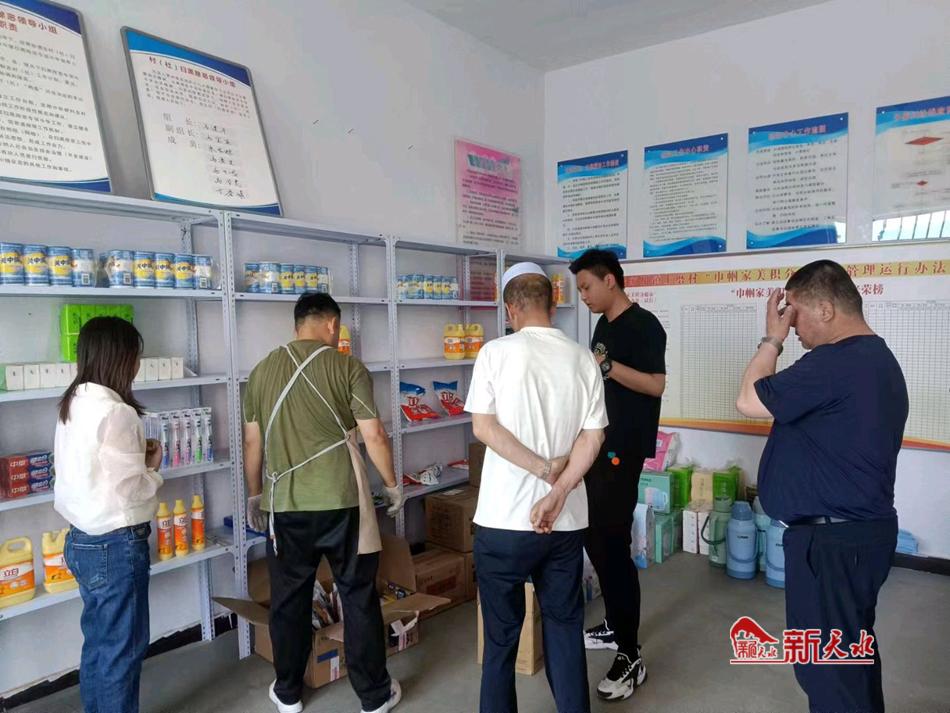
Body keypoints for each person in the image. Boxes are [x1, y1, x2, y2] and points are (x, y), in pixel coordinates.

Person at [736, 260, 907, 713]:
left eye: (796, 314)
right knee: (849, 659)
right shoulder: (876, 360)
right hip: (854, 537)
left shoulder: (835, 362)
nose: (792, 328)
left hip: (833, 544)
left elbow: (748, 399)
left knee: (828, 673)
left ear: (826, 309)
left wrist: (770, 339)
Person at [242, 293, 405, 713]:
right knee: (357, 595)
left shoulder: (261, 372)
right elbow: (374, 436)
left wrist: (255, 494)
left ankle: (288, 693)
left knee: (288, 600)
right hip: (341, 503)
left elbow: (252, 443)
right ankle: (374, 696)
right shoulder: (348, 367)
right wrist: (392, 485)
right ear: (333, 325)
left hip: (285, 505)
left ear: (297, 324)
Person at [465, 262, 607, 713]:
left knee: (501, 638)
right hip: (564, 523)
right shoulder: (583, 358)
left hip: (503, 521)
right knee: (564, 627)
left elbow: (484, 428)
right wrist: (559, 489)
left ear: (511, 309)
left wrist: (542, 470)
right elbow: (593, 437)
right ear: (553, 303)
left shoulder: (495, 353)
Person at [568, 248, 666, 702]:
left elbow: (656, 384)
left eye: (587, 286)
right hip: (599, 443)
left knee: (611, 544)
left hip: (623, 449)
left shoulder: (644, 325)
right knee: (595, 538)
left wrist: (606, 366)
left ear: (611, 280)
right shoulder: (603, 325)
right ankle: (614, 623)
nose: (583, 296)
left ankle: (630, 655)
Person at [55, 317, 163, 713]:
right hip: (115, 544)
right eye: (135, 355)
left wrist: (137, 461)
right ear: (121, 358)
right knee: (123, 651)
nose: (138, 364)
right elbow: (130, 489)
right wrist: (153, 469)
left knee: (100, 645)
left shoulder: (74, 402)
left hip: (81, 540)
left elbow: (98, 470)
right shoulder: (117, 412)